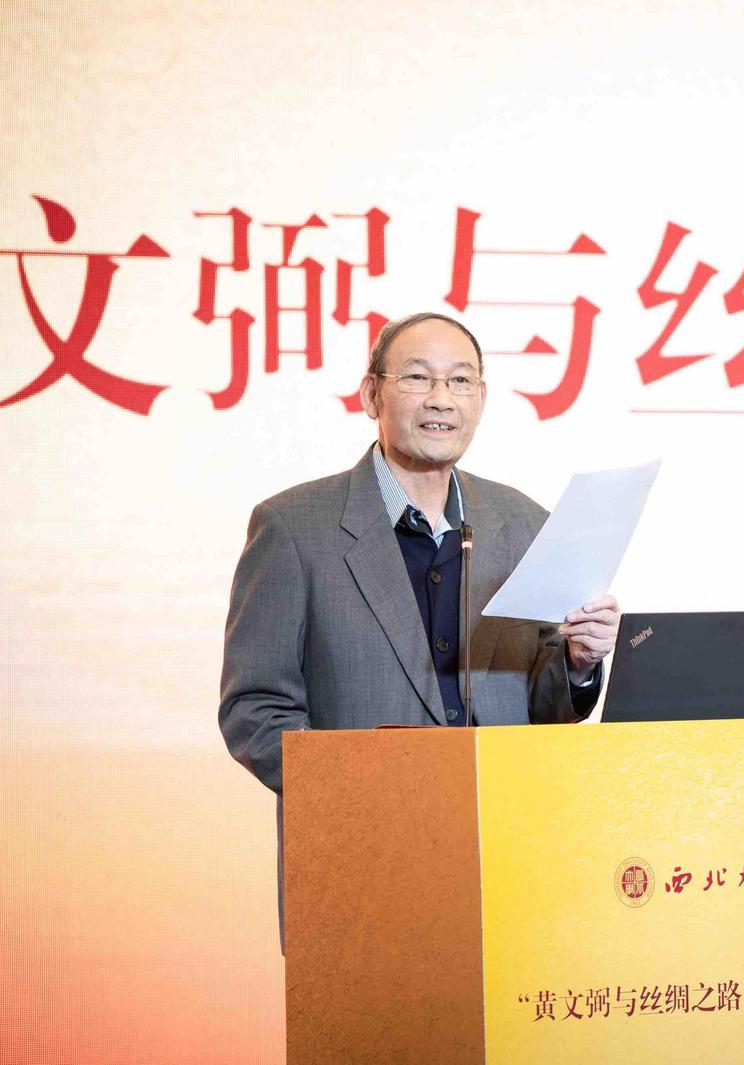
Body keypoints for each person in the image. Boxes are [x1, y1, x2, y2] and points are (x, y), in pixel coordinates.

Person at [219, 311, 620, 944]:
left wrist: (576, 663)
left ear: (480, 399)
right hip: (363, 869)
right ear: (371, 394)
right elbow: (254, 710)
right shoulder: (294, 527)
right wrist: (366, 800)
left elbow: (541, 710)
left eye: (460, 380)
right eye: (416, 377)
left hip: (506, 862)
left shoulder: (523, 522)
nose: (441, 399)